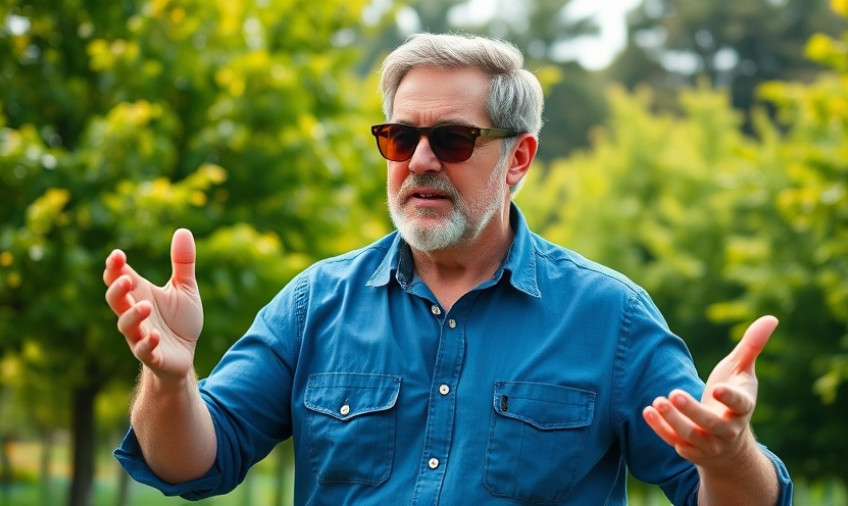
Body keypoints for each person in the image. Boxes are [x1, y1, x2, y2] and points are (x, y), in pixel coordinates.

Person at [104, 33, 792, 505]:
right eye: (401, 137)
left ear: (518, 158)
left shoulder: (609, 317)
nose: (422, 160)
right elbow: (191, 465)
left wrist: (729, 452)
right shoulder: (314, 303)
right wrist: (170, 379)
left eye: (454, 138)